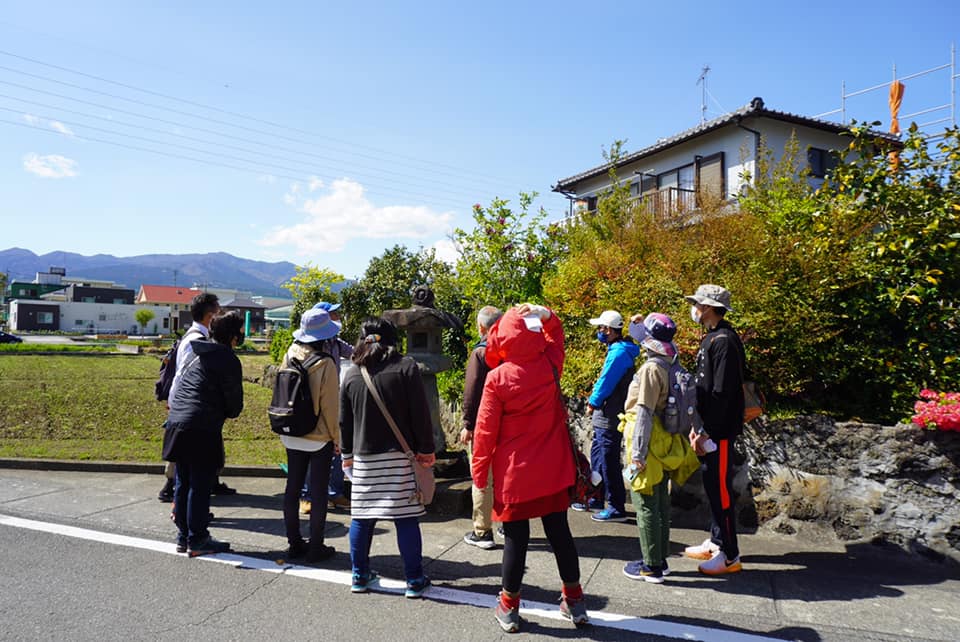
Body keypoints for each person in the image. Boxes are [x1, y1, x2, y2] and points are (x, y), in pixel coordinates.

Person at [472, 304, 588, 633]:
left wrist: (480, 477)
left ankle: (509, 608)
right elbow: (557, 334)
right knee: (560, 534)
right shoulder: (550, 366)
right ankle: (575, 602)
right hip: (553, 470)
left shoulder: (497, 379)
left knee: (515, 540)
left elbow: (484, 434)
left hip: (515, 476)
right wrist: (544, 312)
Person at [339, 317, 436, 598]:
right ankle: (414, 580)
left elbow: (346, 421)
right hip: (400, 458)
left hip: (364, 458)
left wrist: (346, 455)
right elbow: (421, 413)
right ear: (392, 339)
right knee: (405, 518)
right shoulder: (406, 367)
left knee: (362, 517)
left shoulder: (353, 373)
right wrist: (426, 449)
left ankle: (359, 575)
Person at [620, 313, 700, 584]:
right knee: (661, 502)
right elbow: (641, 335)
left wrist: (638, 455)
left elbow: (643, 412)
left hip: (649, 441)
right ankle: (661, 560)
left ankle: (651, 566)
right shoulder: (671, 361)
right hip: (665, 440)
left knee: (646, 504)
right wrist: (637, 324)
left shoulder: (651, 369)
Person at [163, 311, 245, 557]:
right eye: (241, 331)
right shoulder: (228, 359)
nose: (242, 335)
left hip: (176, 422)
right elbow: (234, 406)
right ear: (233, 335)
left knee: (183, 481)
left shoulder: (198, 353)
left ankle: (183, 536)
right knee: (199, 484)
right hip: (201, 426)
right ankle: (197, 539)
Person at [682, 284, 745, 576]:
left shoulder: (725, 341)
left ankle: (730, 555)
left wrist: (706, 431)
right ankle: (718, 541)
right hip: (709, 429)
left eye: (697, 304)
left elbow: (722, 393)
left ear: (708, 307)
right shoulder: (714, 337)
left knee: (720, 491)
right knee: (712, 487)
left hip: (717, 431)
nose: (694, 308)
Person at [158, 292, 237, 501]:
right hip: (189, 405)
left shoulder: (193, 337)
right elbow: (183, 374)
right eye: (217, 313)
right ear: (209, 316)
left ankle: (206, 484)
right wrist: (175, 401)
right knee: (186, 456)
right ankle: (171, 489)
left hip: (188, 404)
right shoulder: (197, 340)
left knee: (190, 451)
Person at [279, 307, 342, 563]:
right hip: (317, 437)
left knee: (292, 489)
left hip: (290, 431)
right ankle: (316, 546)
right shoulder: (325, 362)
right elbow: (329, 405)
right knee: (317, 493)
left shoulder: (289, 354)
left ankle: (294, 543)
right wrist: (336, 438)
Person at [578, 310, 638, 522]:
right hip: (607, 413)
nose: (600, 332)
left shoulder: (619, 353)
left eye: (602, 328)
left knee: (608, 458)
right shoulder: (618, 349)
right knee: (599, 454)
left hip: (610, 413)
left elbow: (606, 381)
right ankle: (596, 495)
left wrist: (593, 401)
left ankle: (616, 506)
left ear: (611, 330)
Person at [297, 301, 354, 517]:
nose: (338, 316)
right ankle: (306, 496)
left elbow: (355, 354)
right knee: (310, 450)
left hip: (332, 401)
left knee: (337, 449)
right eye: (334, 314)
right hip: (309, 405)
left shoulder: (336, 342)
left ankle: (334, 492)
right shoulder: (302, 347)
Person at [460, 305, 502, 550]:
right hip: (511, 421)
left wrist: (468, 423)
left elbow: (472, 390)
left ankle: (482, 531)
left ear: (481, 327)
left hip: (485, 423)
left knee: (482, 475)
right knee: (506, 474)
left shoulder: (481, 352)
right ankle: (508, 523)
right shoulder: (513, 348)